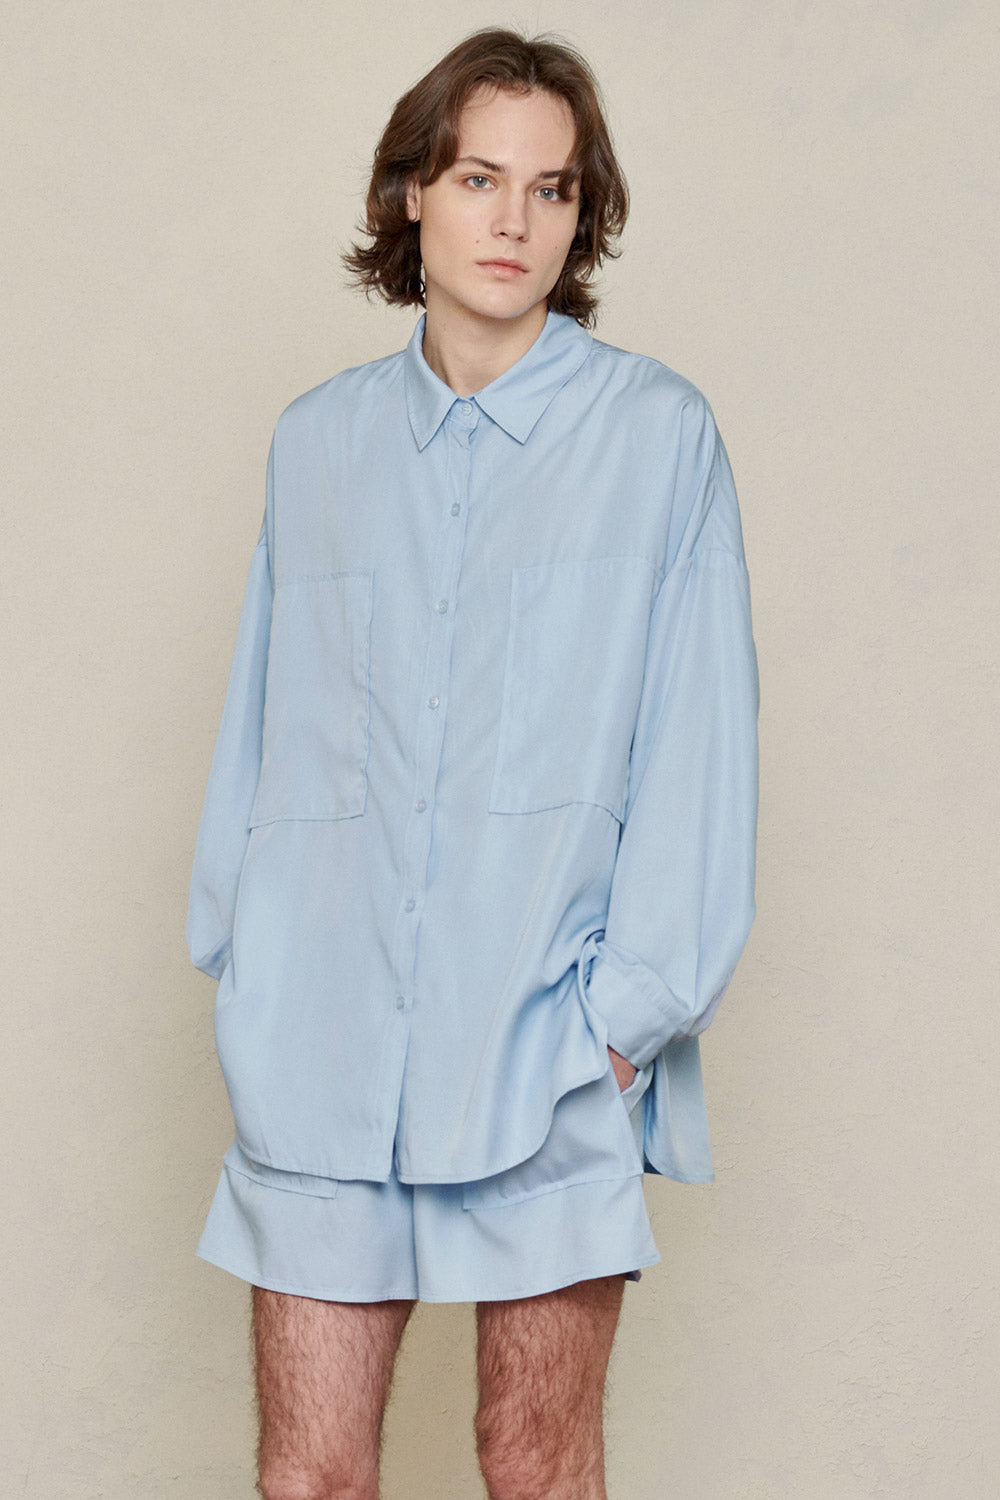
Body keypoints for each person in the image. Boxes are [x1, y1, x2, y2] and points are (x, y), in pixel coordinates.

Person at [185, 24, 759, 1500]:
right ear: (411, 196)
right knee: (310, 1478)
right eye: (479, 178)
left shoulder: (659, 439)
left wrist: (619, 1028)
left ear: (582, 217)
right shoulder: (316, 445)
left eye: (553, 189)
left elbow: (699, 755)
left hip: (543, 1048)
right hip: (321, 1048)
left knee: (534, 1466)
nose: (516, 221)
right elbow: (266, 733)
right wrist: (249, 969)